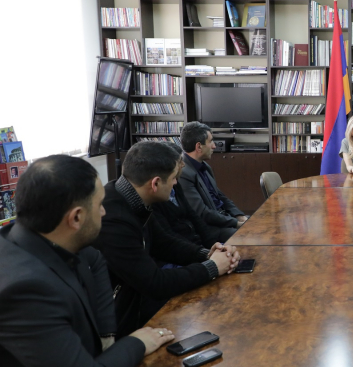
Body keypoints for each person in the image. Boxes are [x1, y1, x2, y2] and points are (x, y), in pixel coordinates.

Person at [0, 155, 174, 367]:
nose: (104, 211)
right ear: (76, 218)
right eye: (99, 204)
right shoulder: (24, 291)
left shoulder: (30, 234)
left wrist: (106, 336)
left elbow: (95, 259)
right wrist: (136, 342)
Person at [93, 141, 240, 336]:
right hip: (122, 323)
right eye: (173, 178)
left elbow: (165, 243)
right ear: (155, 183)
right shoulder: (114, 220)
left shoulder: (128, 195)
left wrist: (207, 254)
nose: (176, 183)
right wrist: (213, 267)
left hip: (136, 304)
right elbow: (155, 283)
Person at [151, 142, 235, 250]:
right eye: (180, 161)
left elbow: (193, 216)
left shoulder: (175, 185)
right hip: (185, 252)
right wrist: (207, 256)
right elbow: (169, 241)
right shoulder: (157, 198)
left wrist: (213, 246)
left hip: (197, 246)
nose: (183, 164)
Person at [180, 121, 248, 229]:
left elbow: (220, 196)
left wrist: (240, 216)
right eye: (211, 141)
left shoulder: (204, 166)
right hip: (212, 228)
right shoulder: (183, 174)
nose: (214, 146)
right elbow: (202, 213)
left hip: (224, 219)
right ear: (199, 147)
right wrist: (236, 223)